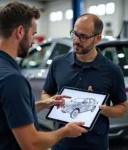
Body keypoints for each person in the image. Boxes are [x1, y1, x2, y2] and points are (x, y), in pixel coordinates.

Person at [0, 2, 87, 150]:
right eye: (33, 34)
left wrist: (43, 104)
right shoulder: (11, 78)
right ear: (20, 32)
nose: (33, 41)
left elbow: (4, 111)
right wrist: (66, 131)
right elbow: (31, 143)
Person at [41, 13, 127, 150]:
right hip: (61, 143)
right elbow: (46, 93)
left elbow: (122, 108)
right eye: (74, 34)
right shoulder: (58, 63)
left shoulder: (112, 71)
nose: (76, 40)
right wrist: (52, 101)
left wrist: (103, 110)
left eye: (83, 37)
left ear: (98, 39)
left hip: (95, 145)